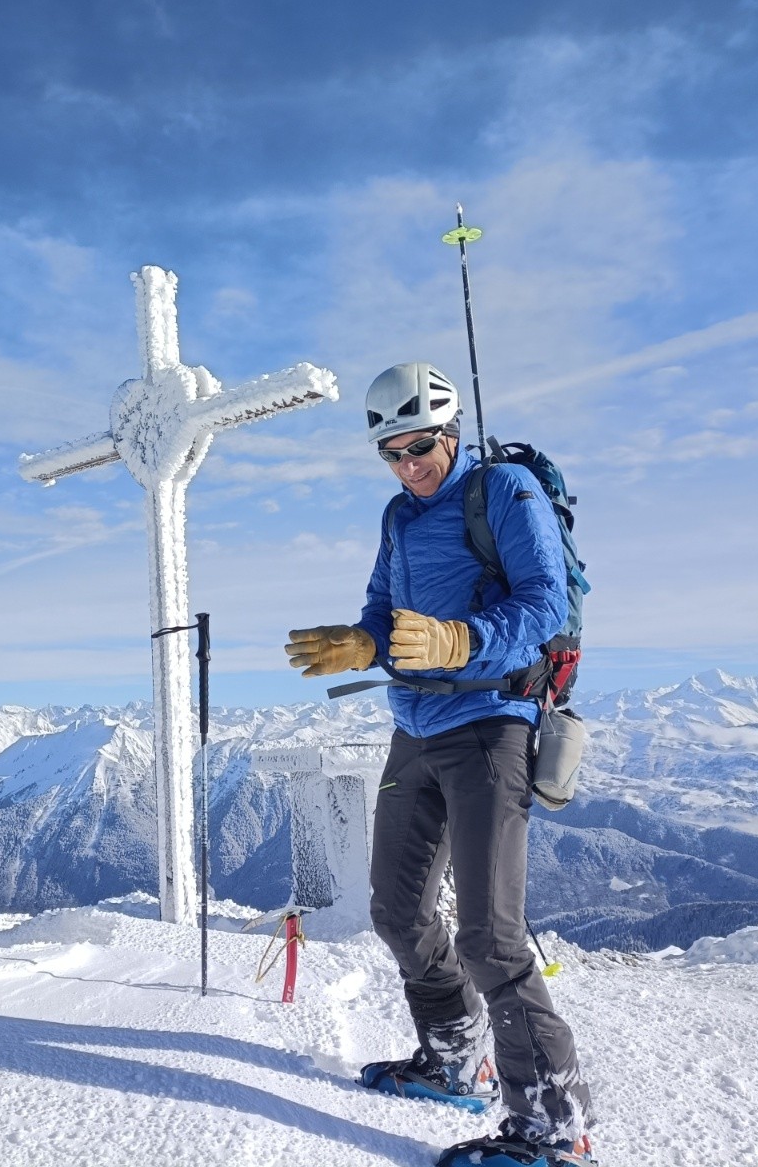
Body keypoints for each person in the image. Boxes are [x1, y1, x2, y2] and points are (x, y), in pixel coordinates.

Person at [285, 362, 594, 1167]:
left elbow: (544, 606)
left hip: (493, 724)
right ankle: (455, 1057)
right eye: (390, 452)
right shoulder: (397, 516)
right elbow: (383, 612)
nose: (407, 465)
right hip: (414, 728)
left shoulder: (505, 494)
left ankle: (553, 1128)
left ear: (451, 433)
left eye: (419, 447)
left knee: (491, 936)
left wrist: (462, 639)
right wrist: (363, 640)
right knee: (396, 910)